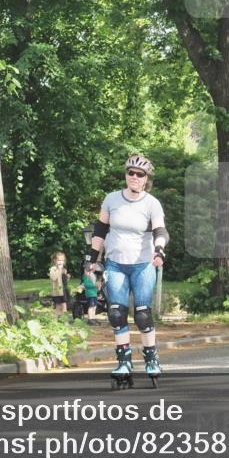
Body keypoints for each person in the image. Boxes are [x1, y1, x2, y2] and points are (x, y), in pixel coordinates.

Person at [89, 154, 169, 380]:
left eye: (139, 174)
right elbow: (100, 230)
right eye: (130, 172)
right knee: (116, 313)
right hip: (115, 264)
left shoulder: (152, 203)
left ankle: (151, 358)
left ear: (146, 179)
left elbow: (160, 230)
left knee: (142, 314)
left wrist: (159, 249)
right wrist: (91, 258)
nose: (134, 177)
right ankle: (124, 361)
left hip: (142, 265)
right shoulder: (111, 199)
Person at [48, 251, 70, 317]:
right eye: (59, 260)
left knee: (64, 306)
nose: (61, 262)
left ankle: (64, 319)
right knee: (58, 306)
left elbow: (64, 281)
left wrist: (67, 277)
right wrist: (59, 270)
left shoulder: (64, 270)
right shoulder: (53, 269)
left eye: (62, 260)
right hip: (57, 291)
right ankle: (57, 319)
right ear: (55, 260)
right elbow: (53, 278)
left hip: (64, 290)